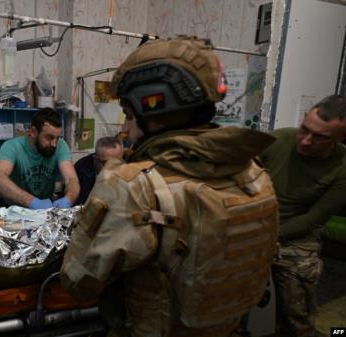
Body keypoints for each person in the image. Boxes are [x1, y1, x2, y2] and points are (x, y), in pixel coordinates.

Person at [60, 36, 279, 336]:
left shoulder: (134, 184)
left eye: (128, 114)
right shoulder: (252, 170)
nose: (124, 127)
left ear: (152, 105)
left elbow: (78, 281)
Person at [259, 95, 346, 337]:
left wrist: (271, 238)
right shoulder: (278, 140)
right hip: (255, 223)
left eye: (319, 137)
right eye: (304, 129)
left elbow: (314, 219)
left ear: (340, 138)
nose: (306, 141)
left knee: (296, 300)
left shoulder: (343, 167)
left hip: (294, 234)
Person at [0, 107, 79, 209]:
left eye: (57, 138)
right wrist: (31, 202)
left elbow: (71, 179)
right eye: (49, 137)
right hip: (15, 211)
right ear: (33, 132)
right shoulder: (12, 147)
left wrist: (69, 199)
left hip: (45, 210)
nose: (54, 144)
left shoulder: (61, 146)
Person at [73, 136, 123, 205]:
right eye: (108, 163)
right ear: (96, 159)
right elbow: (82, 206)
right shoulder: (82, 171)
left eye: (117, 162)